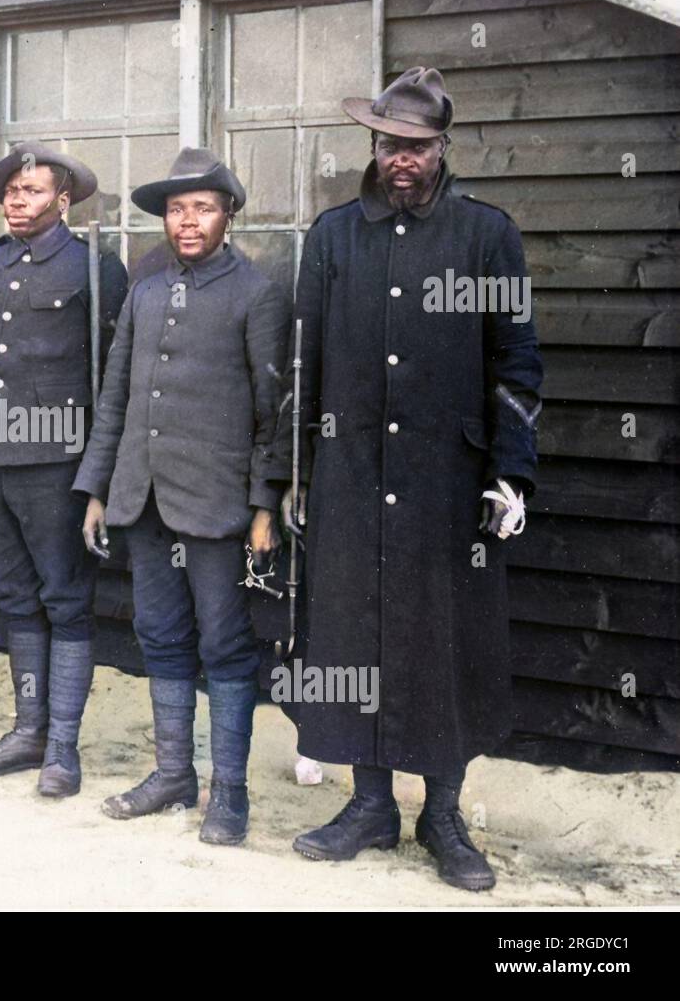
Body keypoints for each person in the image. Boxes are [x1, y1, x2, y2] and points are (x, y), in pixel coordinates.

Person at [277, 67, 542, 891]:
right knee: (354, 636)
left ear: (442, 150)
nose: (402, 160)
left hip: (447, 484)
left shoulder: (484, 236)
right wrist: (297, 474)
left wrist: (510, 473)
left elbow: (517, 364)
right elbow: (303, 363)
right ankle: (369, 807)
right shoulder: (333, 237)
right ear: (374, 145)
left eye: (418, 147)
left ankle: (443, 813)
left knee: (442, 643)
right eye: (390, 144)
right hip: (351, 474)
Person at [74, 147, 287, 845]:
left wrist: (263, 507)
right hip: (145, 502)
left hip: (218, 508)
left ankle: (229, 795)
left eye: (202, 207)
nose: (187, 221)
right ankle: (173, 775)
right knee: (159, 636)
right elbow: (117, 400)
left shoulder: (255, 294)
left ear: (228, 214)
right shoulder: (144, 292)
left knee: (225, 646)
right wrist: (99, 489)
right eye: (175, 209)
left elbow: (271, 411)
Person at [0, 142, 127, 797]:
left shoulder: (95, 267)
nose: (15, 200)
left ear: (63, 201)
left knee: (65, 600)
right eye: (10, 191)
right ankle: (27, 731)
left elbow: (116, 375)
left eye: (30, 191)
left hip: (56, 464)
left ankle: (62, 749)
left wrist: (98, 474)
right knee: (17, 598)